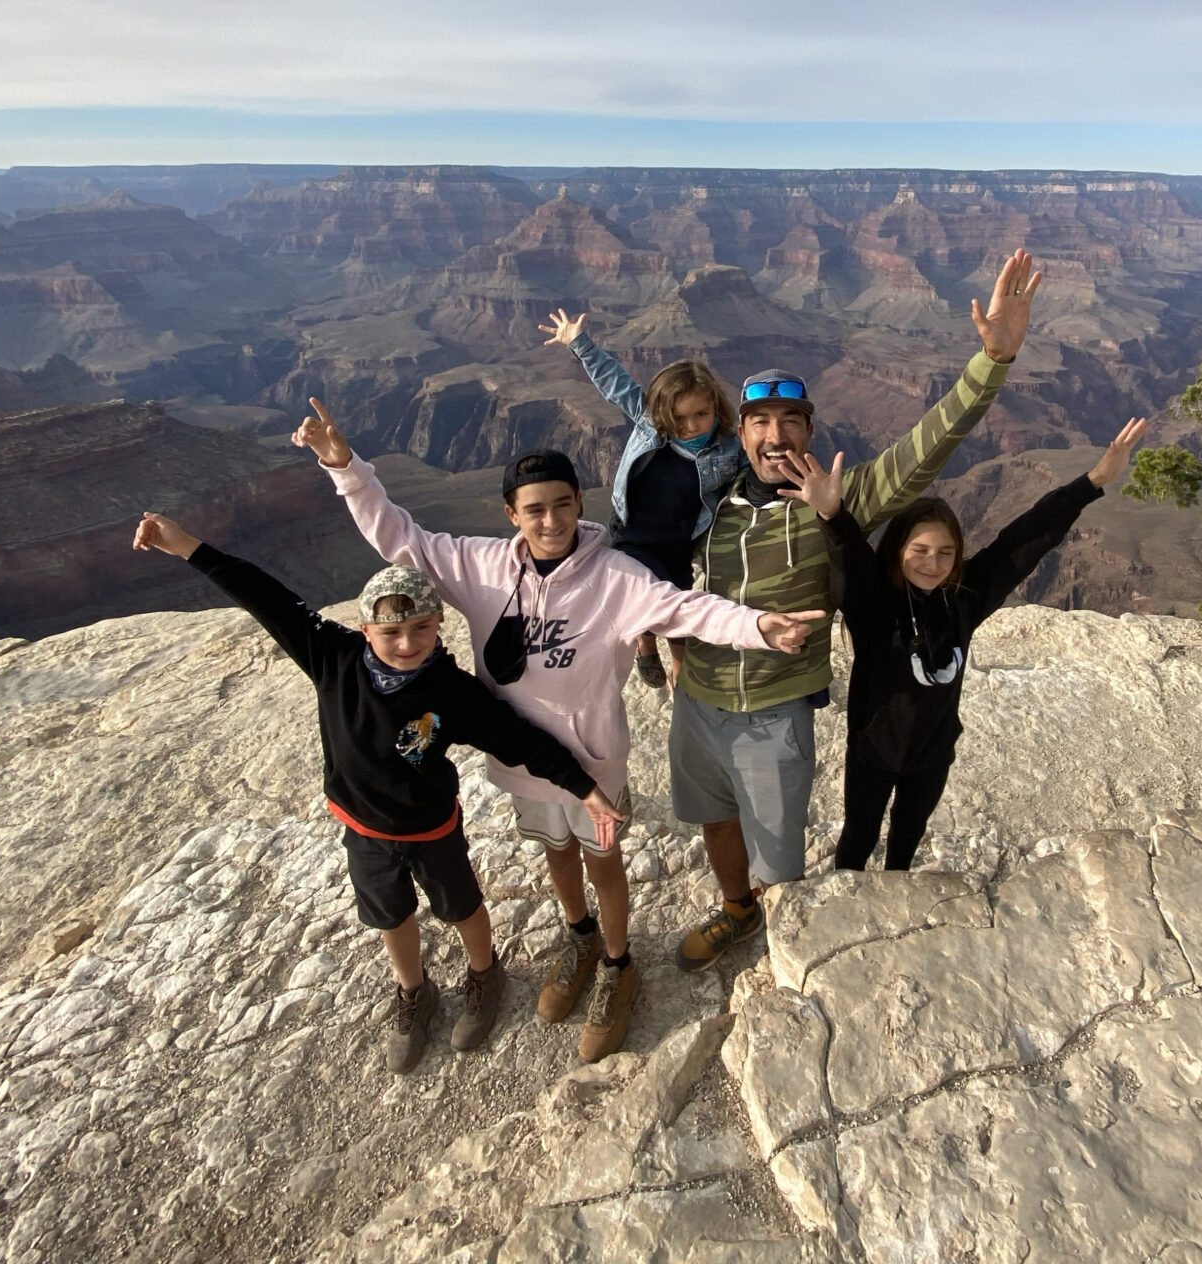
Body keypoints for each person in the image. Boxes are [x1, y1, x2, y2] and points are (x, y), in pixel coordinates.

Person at [291, 404, 822, 1061]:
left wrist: (758, 627)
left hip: (594, 764)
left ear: (580, 503)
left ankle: (618, 964)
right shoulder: (480, 567)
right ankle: (578, 936)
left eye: (563, 505)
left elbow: (686, 608)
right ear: (511, 514)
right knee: (556, 854)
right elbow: (402, 539)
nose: (551, 521)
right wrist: (344, 467)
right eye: (534, 509)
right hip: (524, 766)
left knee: (604, 861)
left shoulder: (617, 578)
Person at [130, 513, 623, 1074]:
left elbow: (519, 739)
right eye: (390, 632)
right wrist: (186, 546)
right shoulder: (332, 658)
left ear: (439, 624)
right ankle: (414, 991)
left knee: (461, 905)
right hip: (364, 828)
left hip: (433, 826)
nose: (407, 644)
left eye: (421, 629)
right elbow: (262, 594)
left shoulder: (453, 693)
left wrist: (583, 787)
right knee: (390, 916)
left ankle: (485, 973)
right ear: (365, 629)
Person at [670, 248, 1046, 973]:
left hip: (776, 708)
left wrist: (990, 365)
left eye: (790, 422)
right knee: (715, 821)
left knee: (779, 859)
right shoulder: (705, 497)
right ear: (738, 432)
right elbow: (643, 545)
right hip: (698, 701)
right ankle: (735, 911)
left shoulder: (837, 499)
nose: (776, 436)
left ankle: (784, 955)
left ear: (809, 432)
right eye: (760, 423)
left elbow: (924, 452)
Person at [776, 417, 1149, 871]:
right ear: (897, 551)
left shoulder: (964, 598)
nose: (933, 564)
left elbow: (1025, 539)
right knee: (860, 836)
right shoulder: (876, 606)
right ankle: (846, 904)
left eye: (945, 552)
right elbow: (850, 564)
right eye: (921, 551)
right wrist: (832, 516)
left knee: (908, 835)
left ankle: (895, 898)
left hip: (933, 752)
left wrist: (1094, 481)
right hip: (873, 750)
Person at [538, 307, 745, 688]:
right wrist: (579, 344)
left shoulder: (729, 449)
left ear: (716, 407)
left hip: (680, 539)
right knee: (640, 590)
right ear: (664, 413)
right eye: (679, 418)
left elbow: (756, 474)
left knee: (678, 596)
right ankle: (645, 645)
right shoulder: (651, 423)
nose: (690, 426)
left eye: (701, 414)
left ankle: (681, 661)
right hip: (634, 529)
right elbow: (616, 384)